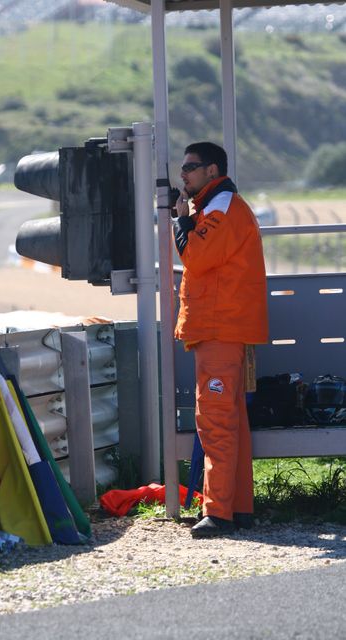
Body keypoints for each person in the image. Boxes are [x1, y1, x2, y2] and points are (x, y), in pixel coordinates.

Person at [173, 142, 269, 538]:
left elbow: (194, 257)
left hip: (219, 329)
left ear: (213, 170)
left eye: (190, 168)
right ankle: (238, 508)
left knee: (215, 423)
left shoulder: (222, 207)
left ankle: (218, 512)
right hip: (224, 328)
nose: (184, 174)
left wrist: (181, 223)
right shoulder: (219, 206)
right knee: (233, 423)